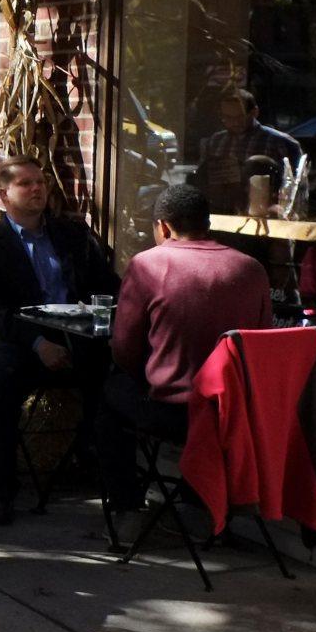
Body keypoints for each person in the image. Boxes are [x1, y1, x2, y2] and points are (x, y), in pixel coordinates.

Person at [0, 154, 119, 525]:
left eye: (41, 182)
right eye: (26, 183)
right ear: (4, 195)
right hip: (23, 342)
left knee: (118, 378)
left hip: (80, 337)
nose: (38, 189)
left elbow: (108, 286)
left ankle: (110, 475)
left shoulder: (74, 234)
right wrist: (38, 344)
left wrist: (101, 322)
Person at [101, 184, 271, 510]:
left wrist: (153, 371)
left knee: (109, 394)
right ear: (207, 223)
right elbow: (260, 340)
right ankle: (201, 496)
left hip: (176, 411)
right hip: (235, 411)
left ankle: (125, 504)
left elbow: (124, 350)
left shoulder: (147, 264)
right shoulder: (251, 269)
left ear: (164, 226)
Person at [198, 89, 303, 215]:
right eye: (227, 118)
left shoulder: (280, 142)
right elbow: (205, 177)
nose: (234, 122)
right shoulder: (216, 141)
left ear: (254, 112)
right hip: (224, 211)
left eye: (240, 117)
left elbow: (296, 184)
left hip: (265, 212)